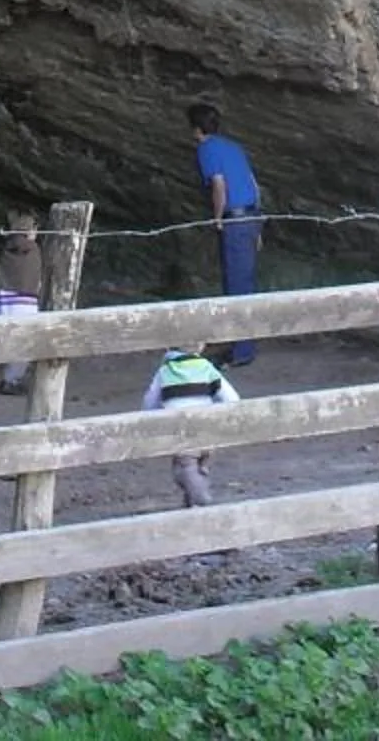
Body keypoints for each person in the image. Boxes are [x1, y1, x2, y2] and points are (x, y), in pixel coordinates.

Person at [188, 98, 261, 364]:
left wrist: (217, 218)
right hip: (252, 215)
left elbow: (219, 186)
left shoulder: (206, 150)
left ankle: (242, 352)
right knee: (247, 282)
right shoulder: (234, 146)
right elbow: (253, 182)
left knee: (236, 284)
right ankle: (244, 345)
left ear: (197, 129)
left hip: (235, 220)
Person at [140, 345, 238, 507]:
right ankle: (192, 505)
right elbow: (231, 398)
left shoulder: (165, 371)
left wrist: (148, 419)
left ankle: (202, 500)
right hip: (207, 426)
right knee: (199, 467)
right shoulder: (206, 367)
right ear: (200, 346)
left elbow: (150, 401)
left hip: (181, 431)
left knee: (184, 469)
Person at [0, 212, 43, 397]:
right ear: (30, 231)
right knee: (26, 342)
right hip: (24, 303)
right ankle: (10, 380)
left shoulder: (7, 251)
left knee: (9, 340)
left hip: (5, 300)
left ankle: (8, 377)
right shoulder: (32, 250)